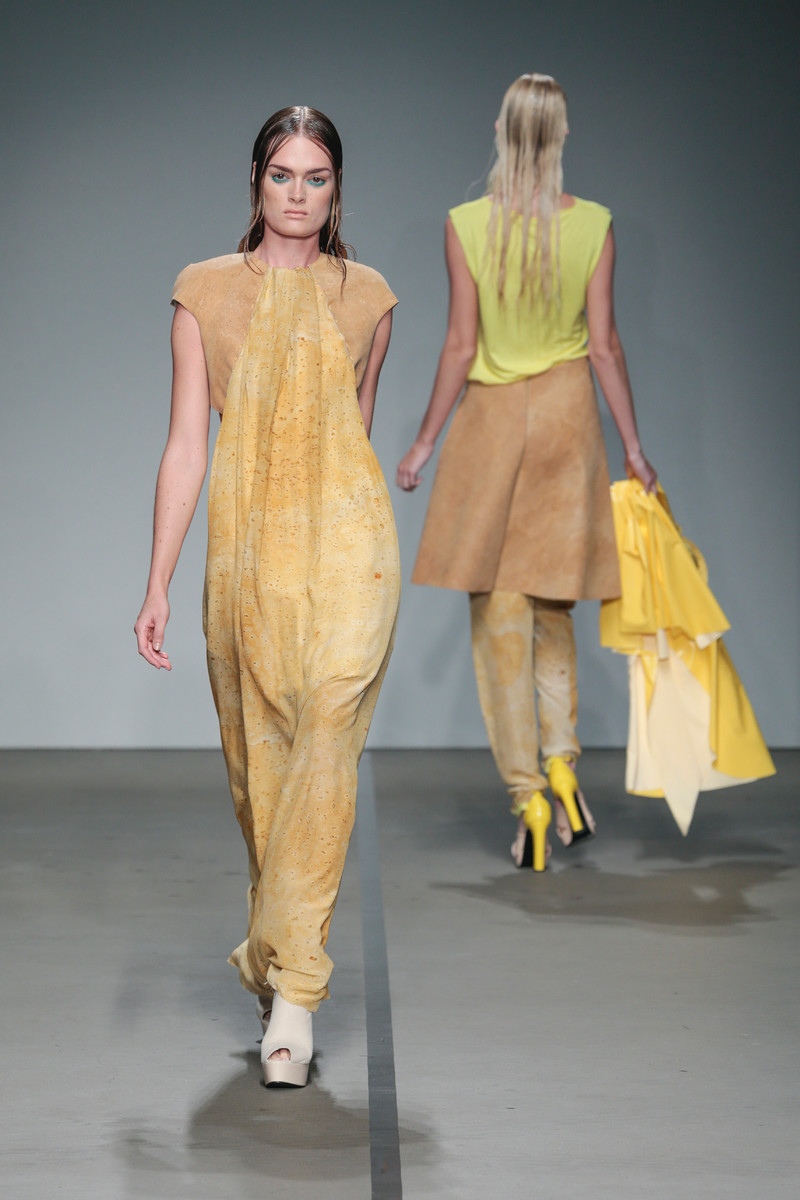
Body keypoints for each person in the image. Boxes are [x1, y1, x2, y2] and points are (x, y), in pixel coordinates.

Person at [134, 106, 400, 1087]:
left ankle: (295, 996)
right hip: (246, 559)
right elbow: (185, 445)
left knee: (328, 730)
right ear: (254, 180)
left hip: (351, 551)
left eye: (315, 177)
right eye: (281, 174)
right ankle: (277, 950)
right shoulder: (203, 292)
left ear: (338, 189)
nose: (297, 193)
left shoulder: (370, 298)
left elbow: (355, 443)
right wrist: (158, 580)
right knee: (263, 778)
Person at [397, 74, 656, 873]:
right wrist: (634, 447)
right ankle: (564, 766)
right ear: (563, 134)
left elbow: (460, 345)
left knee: (498, 618)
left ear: (501, 132)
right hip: (568, 422)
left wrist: (424, 443)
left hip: (494, 423)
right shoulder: (595, 225)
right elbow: (605, 346)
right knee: (552, 607)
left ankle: (528, 798)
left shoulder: (466, 225)